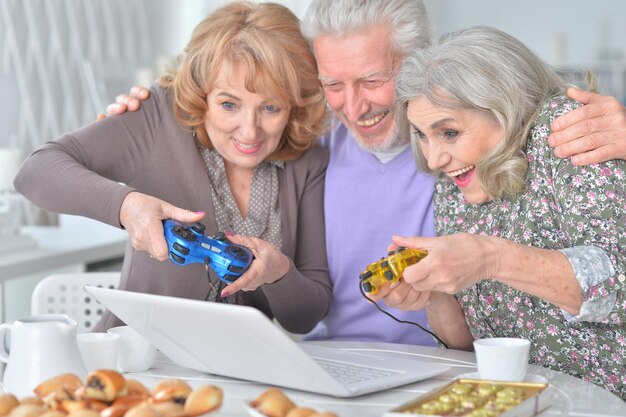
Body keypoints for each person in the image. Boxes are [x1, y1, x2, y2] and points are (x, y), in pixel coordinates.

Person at [104, 0, 626, 346]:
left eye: (374, 80)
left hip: (447, 367)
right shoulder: (306, 139)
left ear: (421, 63)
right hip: (327, 362)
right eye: (333, 83)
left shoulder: (465, 152)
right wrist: (145, 112)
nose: (352, 107)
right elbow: (222, 118)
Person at [14, 1, 332, 333]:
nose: (250, 130)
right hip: (135, 364)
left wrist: (278, 272)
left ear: (294, 104)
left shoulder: (308, 160)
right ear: (201, 94)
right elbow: (36, 172)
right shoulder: (157, 117)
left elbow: (306, 316)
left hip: (238, 377)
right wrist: (128, 207)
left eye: (270, 107)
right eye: (228, 104)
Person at [394, 25, 626, 398]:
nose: (435, 158)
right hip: (514, 399)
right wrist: (432, 288)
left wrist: (490, 258)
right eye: (422, 134)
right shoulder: (454, 181)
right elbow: (466, 345)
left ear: (504, 107)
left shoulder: (567, 129)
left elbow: (616, 283)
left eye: (449, 132)